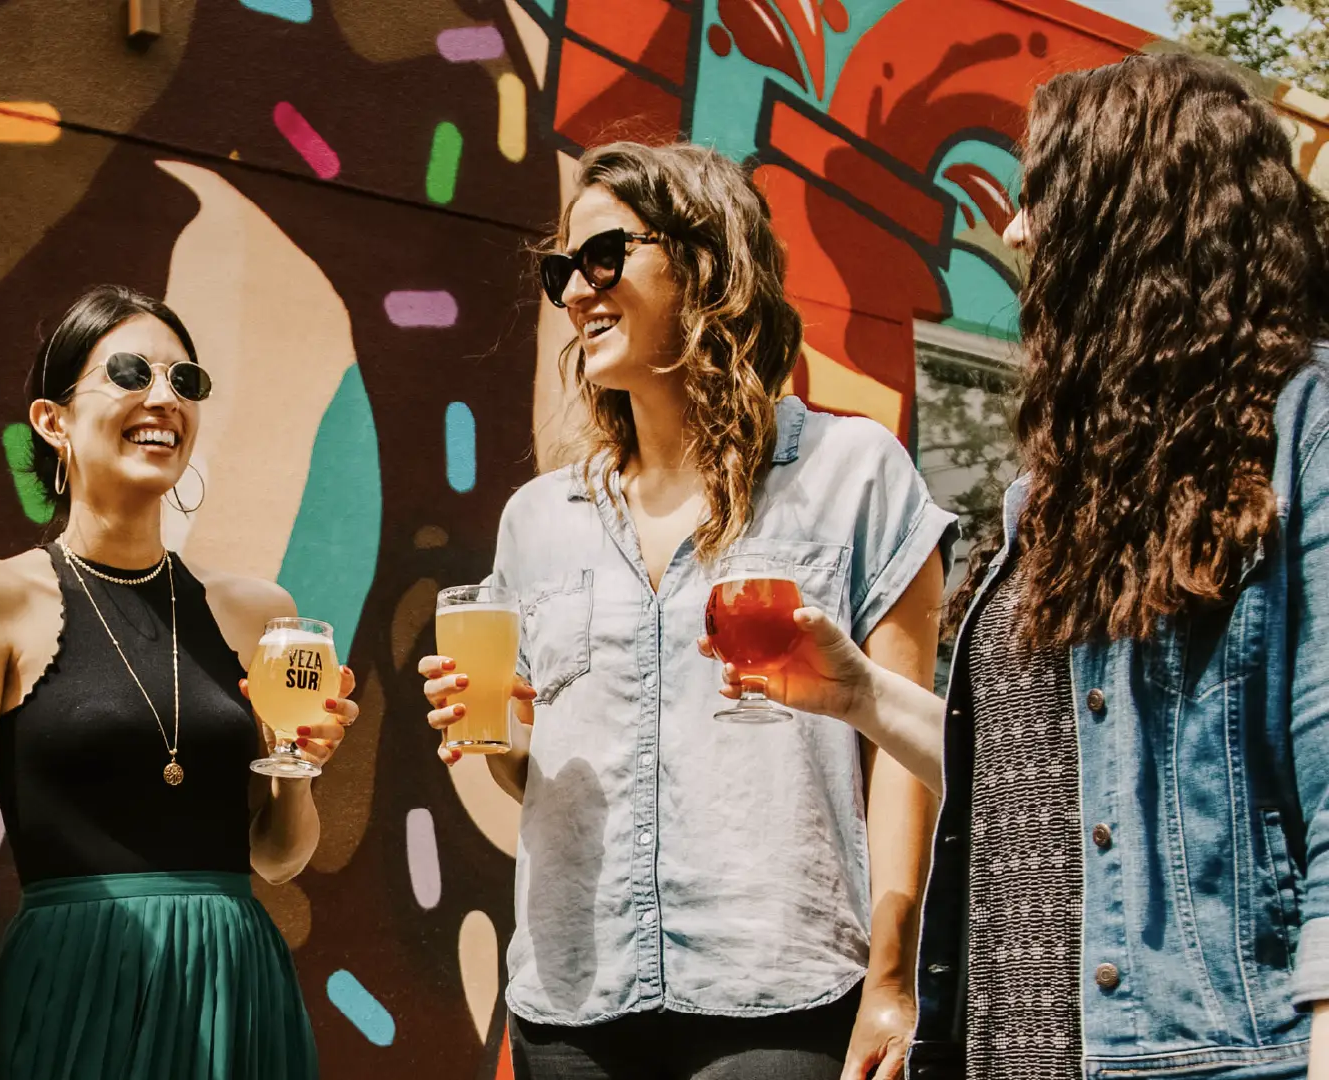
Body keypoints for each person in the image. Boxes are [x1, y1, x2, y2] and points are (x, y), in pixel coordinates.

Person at [703, 53, 1329, 1079]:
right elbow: (1039, 794)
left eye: (1041, 197)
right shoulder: (1051, 499)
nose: (1019, 232)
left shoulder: (1301, 429)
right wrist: (861, 694)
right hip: (1015, 1045)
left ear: (1134, 212)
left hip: (1202, 1055)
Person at [420, 140, 955, 1079]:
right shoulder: (538, 519)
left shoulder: (853, 475)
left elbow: (905, 758)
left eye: (604, 257)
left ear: (706, 261)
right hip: (571, 1004)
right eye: (561, 272)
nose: (578, 291)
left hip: (782, 996)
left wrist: (893, 976)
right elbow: (535, 773)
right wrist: (497, 741)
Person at [0, 285, 354, 1080]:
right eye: (130, 372)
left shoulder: (264, 612)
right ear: (53, 421)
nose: (164, 398)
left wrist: (300, 773)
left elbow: (279, 857)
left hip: (235, 990)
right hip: (72, 987)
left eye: (186, 382)